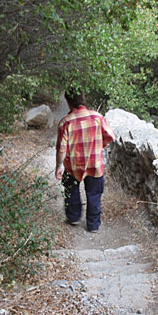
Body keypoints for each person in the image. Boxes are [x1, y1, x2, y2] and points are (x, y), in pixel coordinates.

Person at [55, 88, 115, 233]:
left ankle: (74, 217)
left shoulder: (65, 123)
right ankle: (93, 225)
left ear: (68, 102)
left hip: (72, 165)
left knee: (71, 190)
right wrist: (99, 145)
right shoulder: (97, 117)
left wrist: (58, 166)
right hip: (95, 164)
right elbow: (110, 136)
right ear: (83, 98)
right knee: (94, 194)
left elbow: (61, 149)